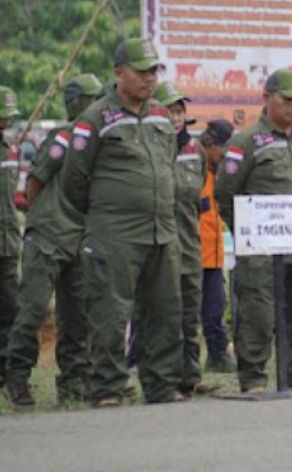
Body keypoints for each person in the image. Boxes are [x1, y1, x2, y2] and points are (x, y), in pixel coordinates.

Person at [62, 38, 183, 406]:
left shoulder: (162, 114)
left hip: (161, 229)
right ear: (119, 74)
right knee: (110, 312)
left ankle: (161, 386)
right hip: (114, 232)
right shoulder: (95, 118)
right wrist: (106, 215)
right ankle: (108, 387)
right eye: (141, 71)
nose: (149, 79)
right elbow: (73, 181)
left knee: (164, 309)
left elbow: (167, 163)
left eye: (153, 71)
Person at [215, 68, 292, 394]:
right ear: (267, 98)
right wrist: (248, 230)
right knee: (258, 314)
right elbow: (225, 193)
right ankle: (254, 379)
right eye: (287, 99)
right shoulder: (245, 142)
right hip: (262, 249)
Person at [4, 75, 102, 408]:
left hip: (79, 236)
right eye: (94, 98)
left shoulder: (100, 139)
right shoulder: (64, 137)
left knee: (77, 315)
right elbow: (35, 180)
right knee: (32, 309)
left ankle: (75, 381)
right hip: (48, 236)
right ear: (79, 103)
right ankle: (16, 377)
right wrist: (43, 219)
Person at [153, 80, 220, 396]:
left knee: (190, 311)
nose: (176, 117)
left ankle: (191, 376)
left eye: (179, 111)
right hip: (160, 242)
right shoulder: (151, 147)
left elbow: (199, 191)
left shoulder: (196, 150)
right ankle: (164, 379)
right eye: (169, 110)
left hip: (190, 243)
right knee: (164, 313)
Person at [198, 119, 235, 373]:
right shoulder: (193, 170)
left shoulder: (220, 176)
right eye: (222, 151)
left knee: (215, 310)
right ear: (210, 145)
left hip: (214, 257)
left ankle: (217, 356)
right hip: (189, 257)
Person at [0, 85, 22, 386]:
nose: (4, 122)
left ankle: (7, 373)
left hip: (7, 242)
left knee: (10, 310)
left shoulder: (10, 149)